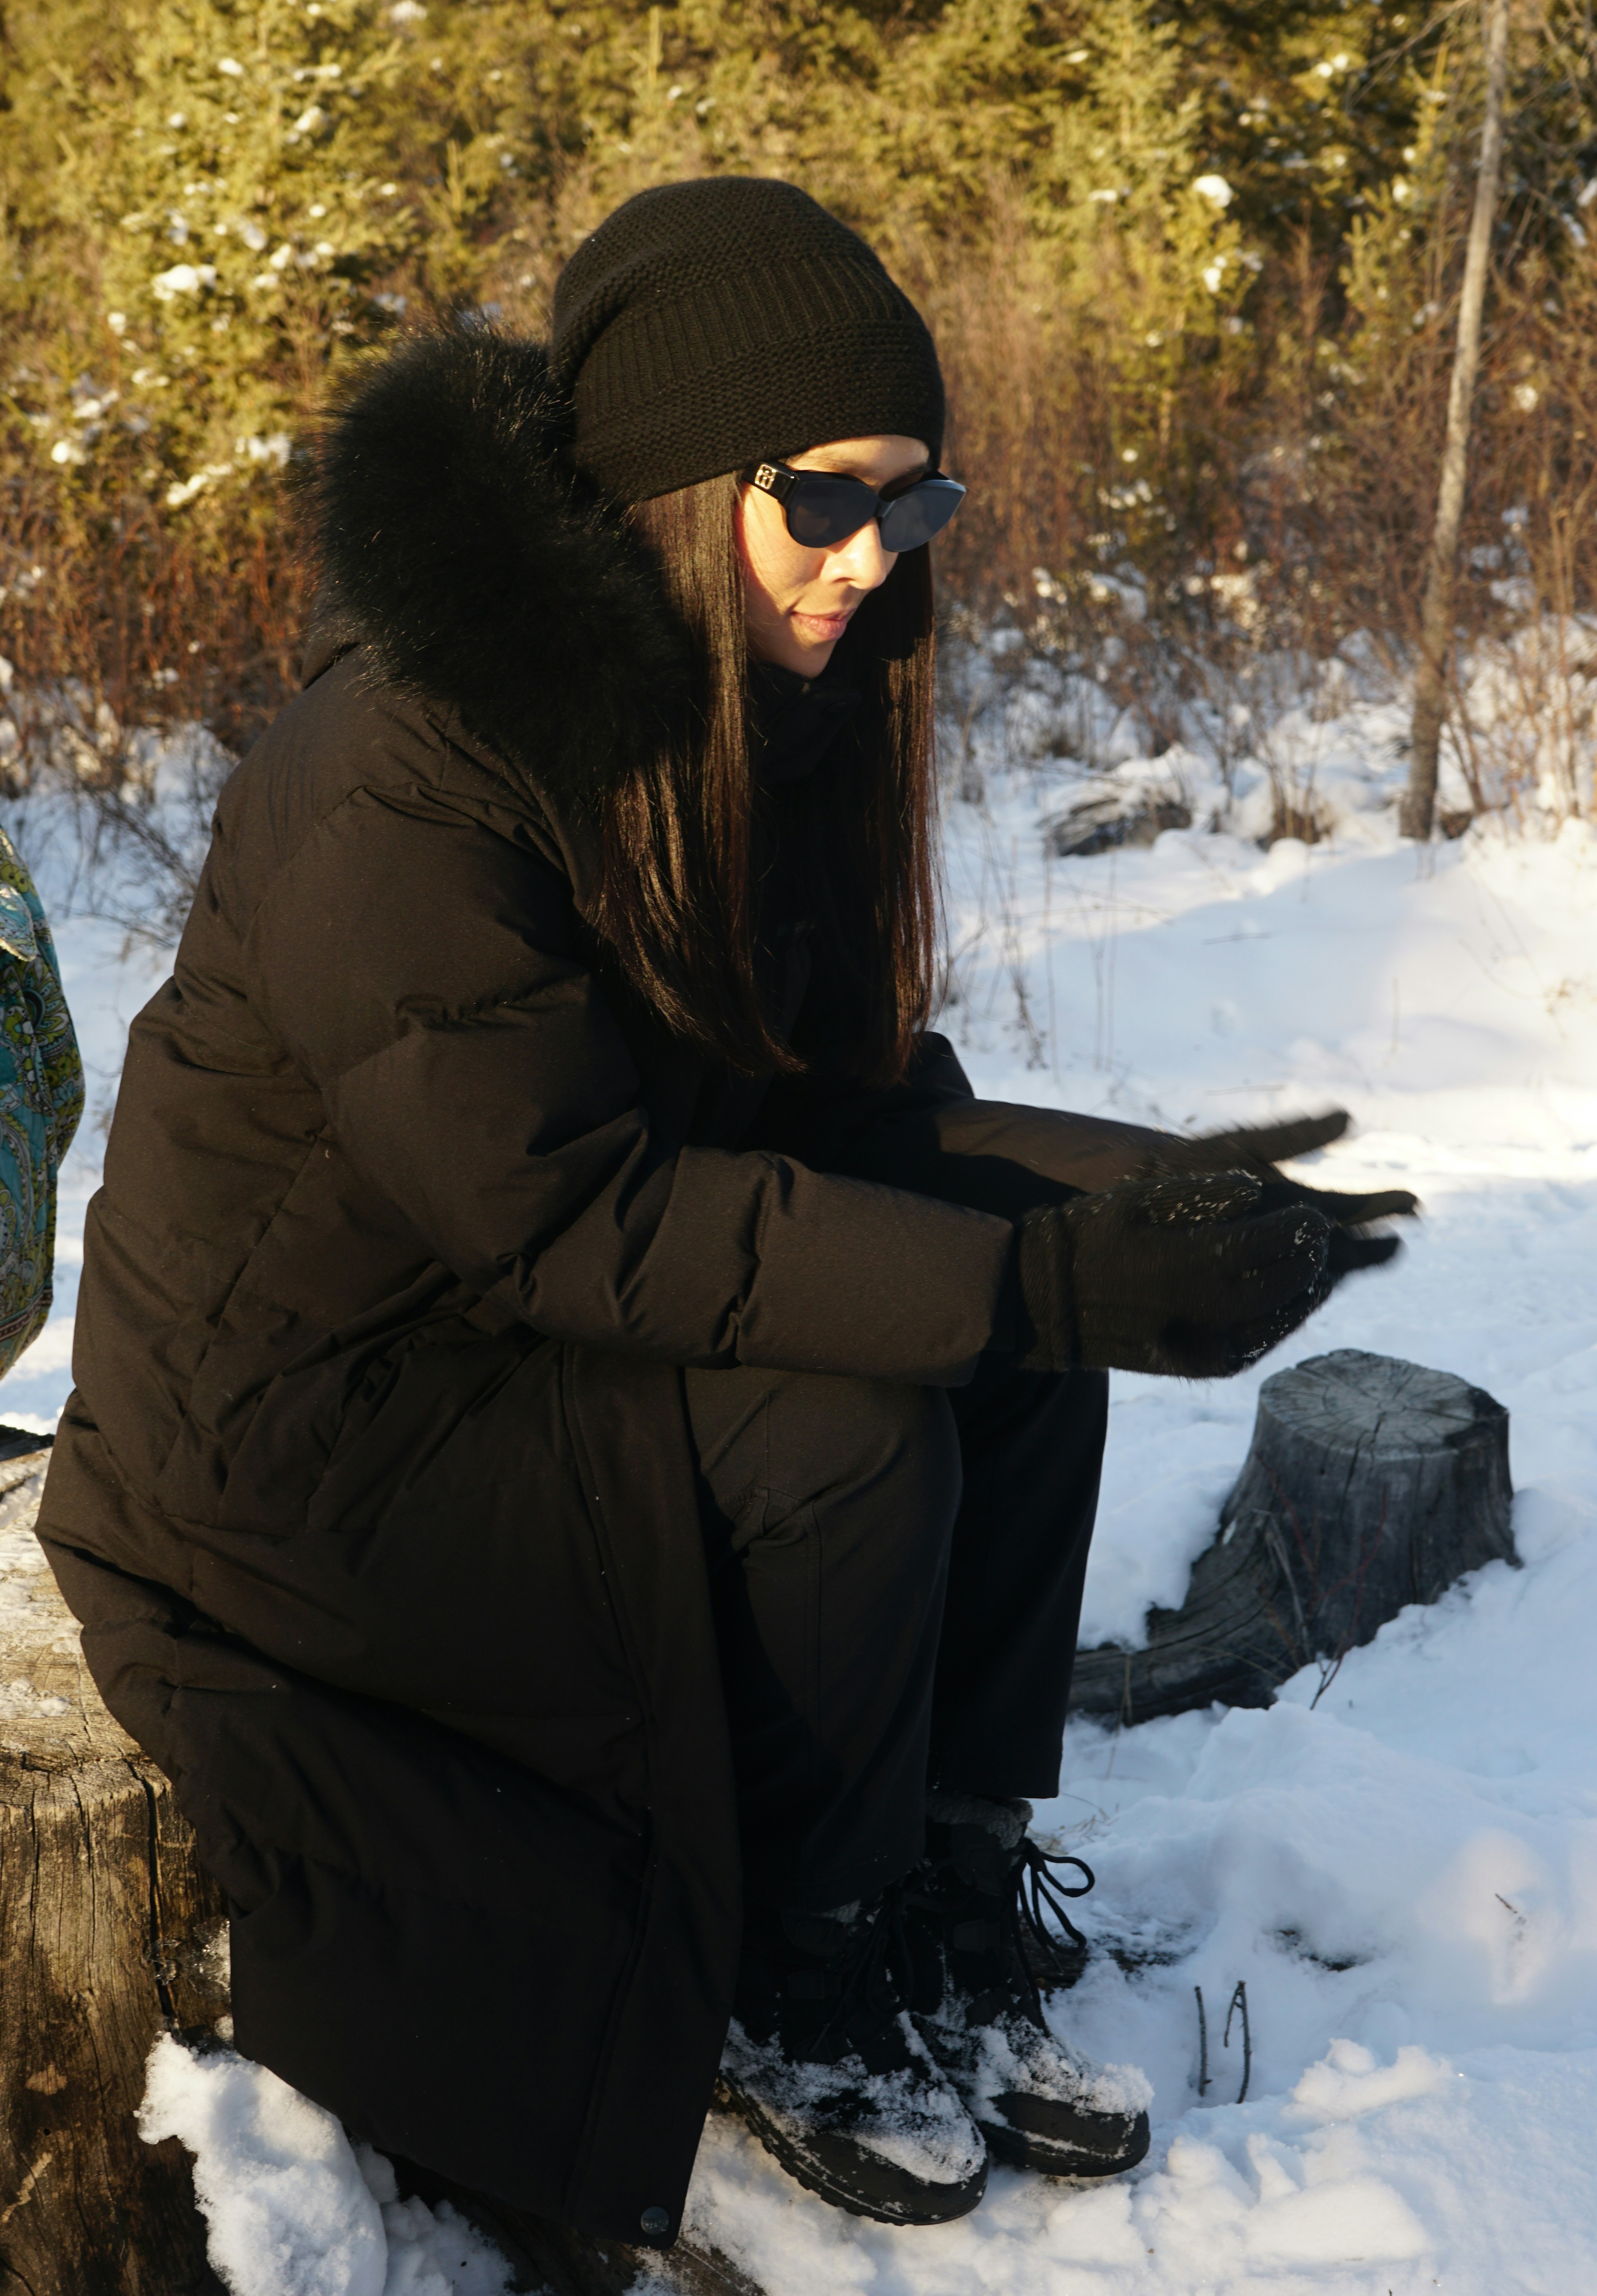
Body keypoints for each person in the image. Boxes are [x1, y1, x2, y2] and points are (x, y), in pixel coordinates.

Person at [37, 178, 1413, 2248]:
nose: (872, 558)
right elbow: (567, 1220)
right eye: (820, 499)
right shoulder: (399, 766)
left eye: (914, 508)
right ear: (674, 484)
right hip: (306, 1438)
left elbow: (838, 1116)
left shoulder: (748, 706)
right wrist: (1029, 1259)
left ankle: (937, 1868)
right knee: (845, 1427)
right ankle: (798, 1951)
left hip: (522, 1326)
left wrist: (1141, 1207)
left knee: (1030, 1355)